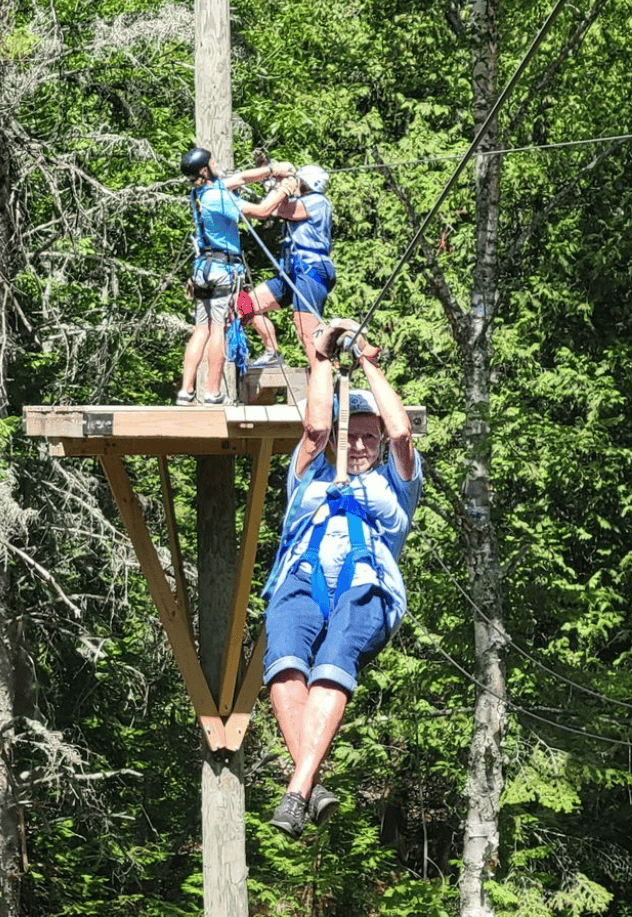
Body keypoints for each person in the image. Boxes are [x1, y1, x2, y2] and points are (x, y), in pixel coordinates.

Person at [261, 320, 422, 838]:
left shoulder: (395, 488)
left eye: (367, 437)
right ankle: (310, 784)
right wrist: (322, 360)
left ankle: (295, 789)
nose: (359, 445)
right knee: (284, 660)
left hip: (366, 586)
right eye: (352, 435)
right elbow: (315, 430)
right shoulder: (308, 475)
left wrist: (367, 361)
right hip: (301, 579)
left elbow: (401, 433)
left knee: (333, 658)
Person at [176, 148, 295, 405]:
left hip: (202, 269)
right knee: (219, 328)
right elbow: (262, 211)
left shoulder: (199, 194)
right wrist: (284, 190)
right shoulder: (219, 199)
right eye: (213, 162)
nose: (217, 164)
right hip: (222, 270)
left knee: (201, 329)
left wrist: (272, 170)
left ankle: (186, 392)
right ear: (205, 170)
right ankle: (212, 393)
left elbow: (239, 179)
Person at [236, 164, 335, 370]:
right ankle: (271, 351)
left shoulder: (318, 202)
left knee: (306, 333)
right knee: (247, 305)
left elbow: (282, 209)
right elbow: (279, 207)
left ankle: (322, 380)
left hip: (311, 270)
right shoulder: (300, 201)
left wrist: (279, 187)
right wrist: (278, 186)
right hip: (291, 272)